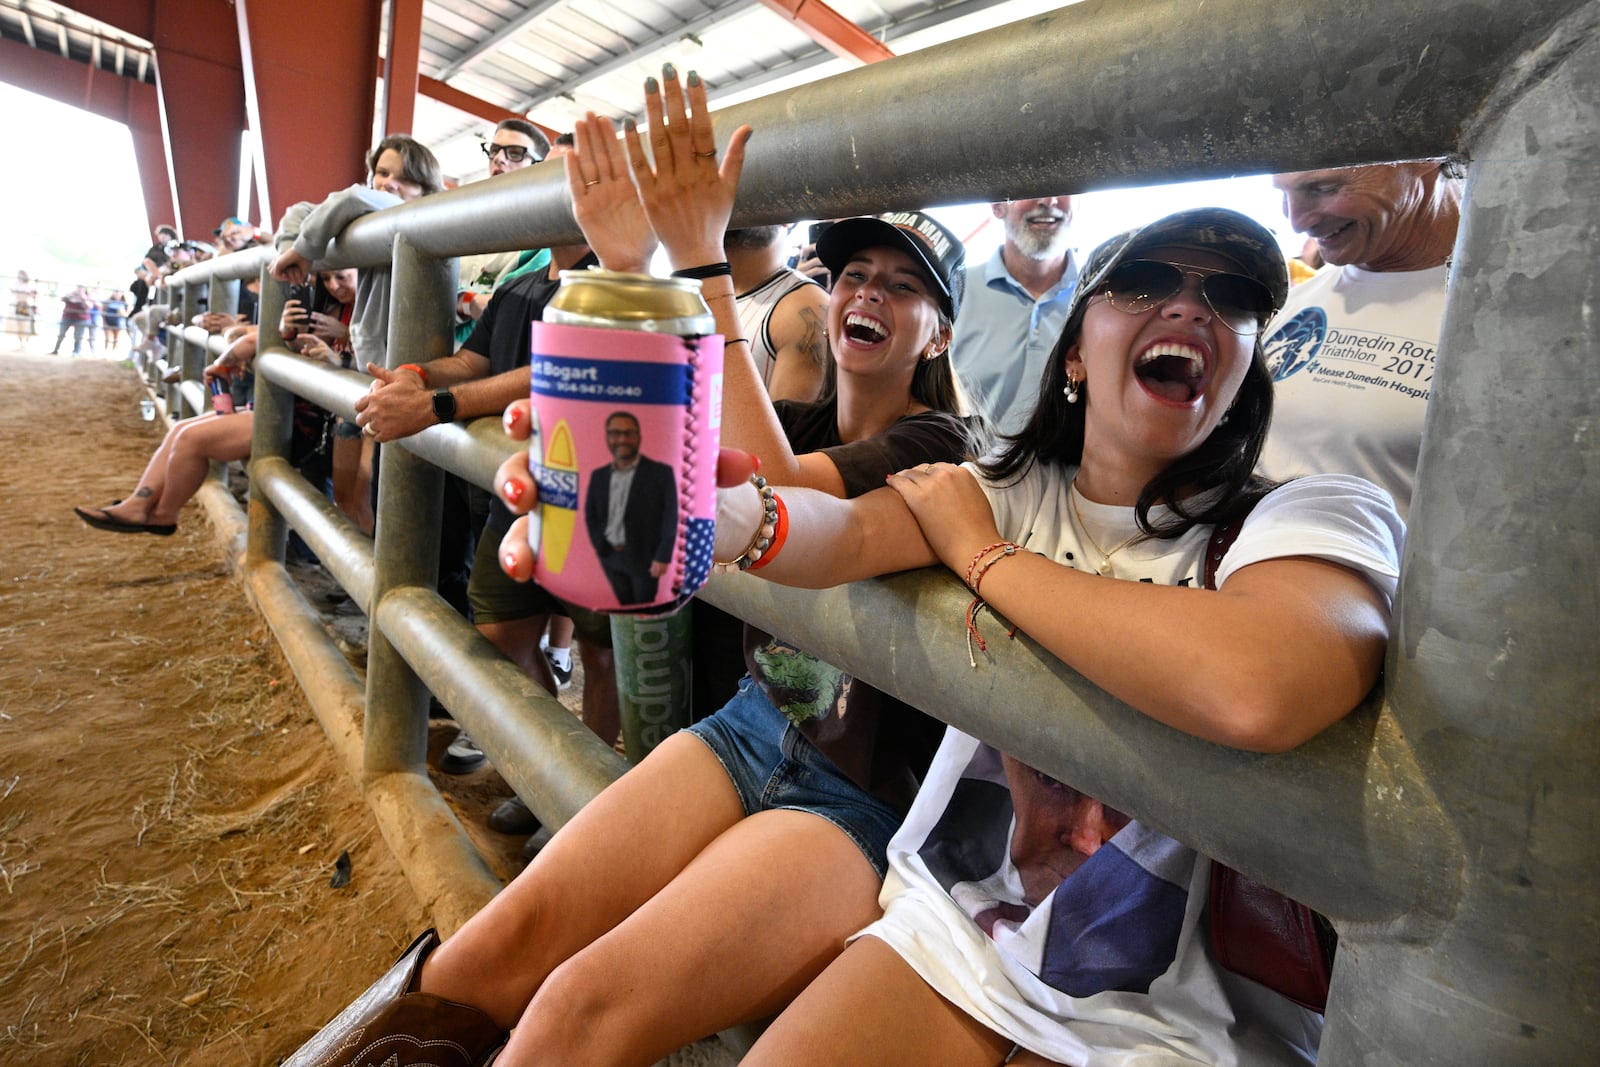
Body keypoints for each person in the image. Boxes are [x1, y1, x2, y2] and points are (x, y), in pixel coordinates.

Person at [276, 65, 980, 1067]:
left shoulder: (941, 442)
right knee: (496, 943)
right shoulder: (804, 415)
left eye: (903, 285)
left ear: (941, 330)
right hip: (755, 720)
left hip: (863, 793)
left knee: (577, 1006)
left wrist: (693, 260)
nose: (866, 292)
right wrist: (621, 279)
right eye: (852, 275)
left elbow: (765, 485)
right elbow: (668, 447)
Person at [687, 206, 1403, 1066]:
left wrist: (983, 558)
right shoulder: (1009, 486)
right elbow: (835, 535)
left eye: (1232, 296)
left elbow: (1259, 685)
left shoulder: (1310, 514)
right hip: (958, 932)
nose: (1189, 308)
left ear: (1248, 365)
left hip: (1181, 1019)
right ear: (1074, 352)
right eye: (1143, 283)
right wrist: (709, 517)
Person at [1260, 160, 1461, 520]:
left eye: (1323, 188)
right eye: (1283, 193)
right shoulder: (1296, 303)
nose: (1298, 221)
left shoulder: (1500, 321)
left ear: (1423, 159)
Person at [949, 195, 1079, 434]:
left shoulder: (1098, 297)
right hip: (966, 467)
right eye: (1032, 188)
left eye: (1063, 187)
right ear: (997, 206)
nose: (1049, 200)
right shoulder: (955, 291)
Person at [453, 119, 554, 344]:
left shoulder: (542, 240)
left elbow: (505, 314)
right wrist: (471, 302)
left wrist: (461, 302)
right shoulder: (463, 226)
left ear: (539, 166)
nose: (499, 158)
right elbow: (431, 300)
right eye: (494, 150)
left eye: (515, 153)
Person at [582, 411, 678, 606]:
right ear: (607, 437)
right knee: (623, 607)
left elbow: (671, 517)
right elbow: (590, 514)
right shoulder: (598, 476)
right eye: (616, 433)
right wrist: (600, 545)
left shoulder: (661, 473)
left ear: (638, 437)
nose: (622, 439)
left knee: (645, 612)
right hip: (610, 556)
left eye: (629, 433)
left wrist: (662, 555)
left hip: (645, 559)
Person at [50, 285, 95, 356]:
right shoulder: (70, 295)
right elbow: (62, 299)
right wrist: (71, 294)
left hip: (81, 319)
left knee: (78, 336)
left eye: (81, 289)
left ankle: (76, 352)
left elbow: (89, 306)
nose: (79, 290)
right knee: (61, 334)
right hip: (67, 317)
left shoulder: (87, 297)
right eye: (78, 288)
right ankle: (55, 350)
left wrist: (83, 298)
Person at [10, 271, 38, 347]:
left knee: (26, 324)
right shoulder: (16, 284)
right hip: (19, 305)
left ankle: (25, 341)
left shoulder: (29, 285)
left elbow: (33, 294)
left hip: (25, 305)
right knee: (19, 324)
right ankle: (21, 342)